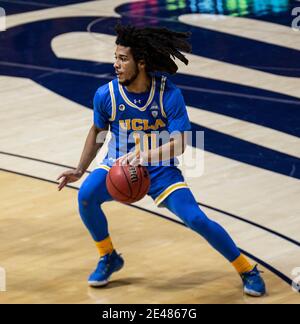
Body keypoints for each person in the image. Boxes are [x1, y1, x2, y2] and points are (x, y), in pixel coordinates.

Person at [57, 24, 266, 297]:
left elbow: (179, 144)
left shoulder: (169, 94)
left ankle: (246, 269)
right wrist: (80, 169)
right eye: (115, 58)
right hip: (118, 165)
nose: (115, 65)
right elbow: (98, 131)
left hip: (160, 169)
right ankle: (109, 256)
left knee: (196, 219)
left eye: (123, 59)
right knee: (85, 196)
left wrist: (146, 156)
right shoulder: (105, 95)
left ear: (141, 63)